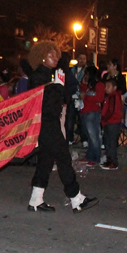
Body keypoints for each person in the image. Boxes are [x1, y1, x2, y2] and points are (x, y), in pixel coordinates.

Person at [25, 41, 97, 213]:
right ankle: (76, 198)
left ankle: (36, 199)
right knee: (63, 158)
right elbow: (46, 103)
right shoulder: (37, 77)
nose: (55, 57)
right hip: (45, 123)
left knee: (46, 160)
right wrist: (57, 86)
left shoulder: (51, 75)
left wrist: (59, 85)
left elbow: (64, 100)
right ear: (42, 57)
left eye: (56, 54)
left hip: (51, 122)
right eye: (51, 55)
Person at [79, 66, 105, 166]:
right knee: (90, 136)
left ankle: (95, 158)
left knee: (94, 136)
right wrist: (83, 82)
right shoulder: (90, 85)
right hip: (85, 111)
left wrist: (86, 97)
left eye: (87, 74)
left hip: (93, 112)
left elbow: (99, 98)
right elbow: (83, 90)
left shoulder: (99, 85)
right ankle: (89, 156)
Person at [100, 78, 123, 170]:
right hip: (110, 122)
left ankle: (113, 162)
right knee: (108, 142)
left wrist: (103, 119)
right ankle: (109, 160)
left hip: (112, 122)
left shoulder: (113, 96)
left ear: (114, 87)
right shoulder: (110, 96)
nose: (106, 88)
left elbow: (111, 110)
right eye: (105, 86)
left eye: (108, 86)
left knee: (111, 143)